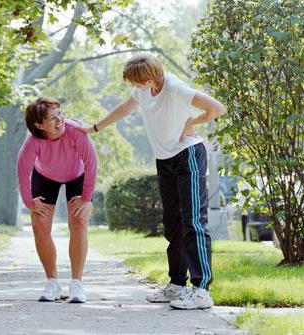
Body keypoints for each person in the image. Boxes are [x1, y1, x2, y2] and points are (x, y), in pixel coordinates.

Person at [79, 54, 225, 310]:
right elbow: (124, 109)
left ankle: (202, 291)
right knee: (172, 225)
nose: (134, 88)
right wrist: (94, 128)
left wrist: (192, 121)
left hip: (188, 154)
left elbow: (216, 108)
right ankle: (177, 284)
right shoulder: (142, 91)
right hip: (164, 158)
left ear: (150, 78)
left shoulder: (175, 87)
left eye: (137, 82)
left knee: (193, 222)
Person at [17, 97, 97, 303]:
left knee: (79, 221)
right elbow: (23, 171)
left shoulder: (76, 131)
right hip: (45, 177)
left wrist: (87, 198)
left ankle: (77, 284)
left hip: (77, 175)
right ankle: (52, 282)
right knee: (39, 224)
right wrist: (30, 203)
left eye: (59, 114)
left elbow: (91, 163)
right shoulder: (32, 141)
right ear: (38, 125)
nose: (59, 120)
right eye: (52, 118)